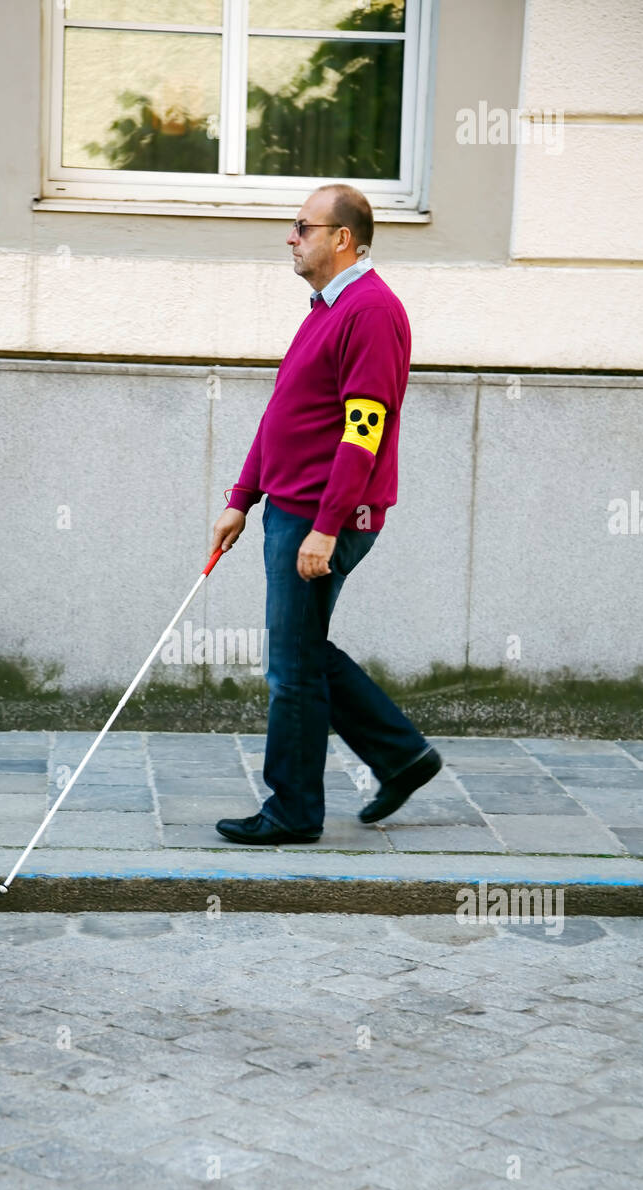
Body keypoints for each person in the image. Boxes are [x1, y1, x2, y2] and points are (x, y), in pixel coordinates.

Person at [211, 182, 441, 845]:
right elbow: (286, 413)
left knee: (291, 666)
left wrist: (326, 526)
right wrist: (241, 498)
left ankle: (291, 811)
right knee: (302, 653)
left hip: (320, 516)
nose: (291, 237)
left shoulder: (369, 311)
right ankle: (402, 755)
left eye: (303, 227)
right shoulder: (326, 307)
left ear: (342, 238)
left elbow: (363, 430)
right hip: (290, 508)